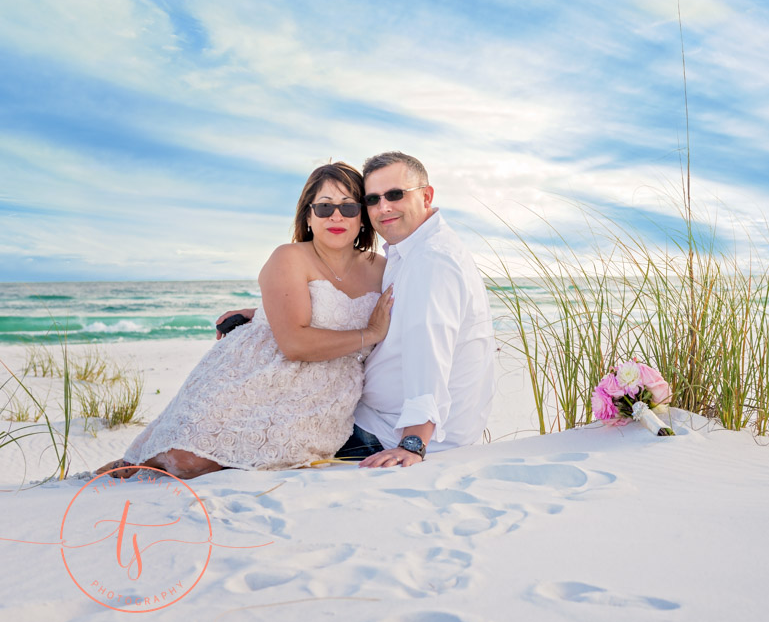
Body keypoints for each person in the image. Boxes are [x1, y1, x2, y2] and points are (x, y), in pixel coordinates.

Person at [96, 162, 393, 479]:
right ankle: (135, 464)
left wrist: (258, 310)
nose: (336, 216)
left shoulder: (383, 267)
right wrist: (370, 333)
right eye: (324, 207)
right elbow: (294, 344)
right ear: (308, 216)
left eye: (348, 206)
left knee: (255, 457)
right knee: (186, 460)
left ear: (363, 216)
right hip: (256, 371)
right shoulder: (289, 256)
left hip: (324, 392)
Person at [226, 151, 496, 468]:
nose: (384, 207)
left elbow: (429, 348)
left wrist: (413, 442)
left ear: (426, 196)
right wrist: (263, 314)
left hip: (387, 434)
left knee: (249, 440)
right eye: (373, 199)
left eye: (396, 195)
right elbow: (348, 303)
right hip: (380, 420)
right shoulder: (409, 252)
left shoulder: (431, 259)